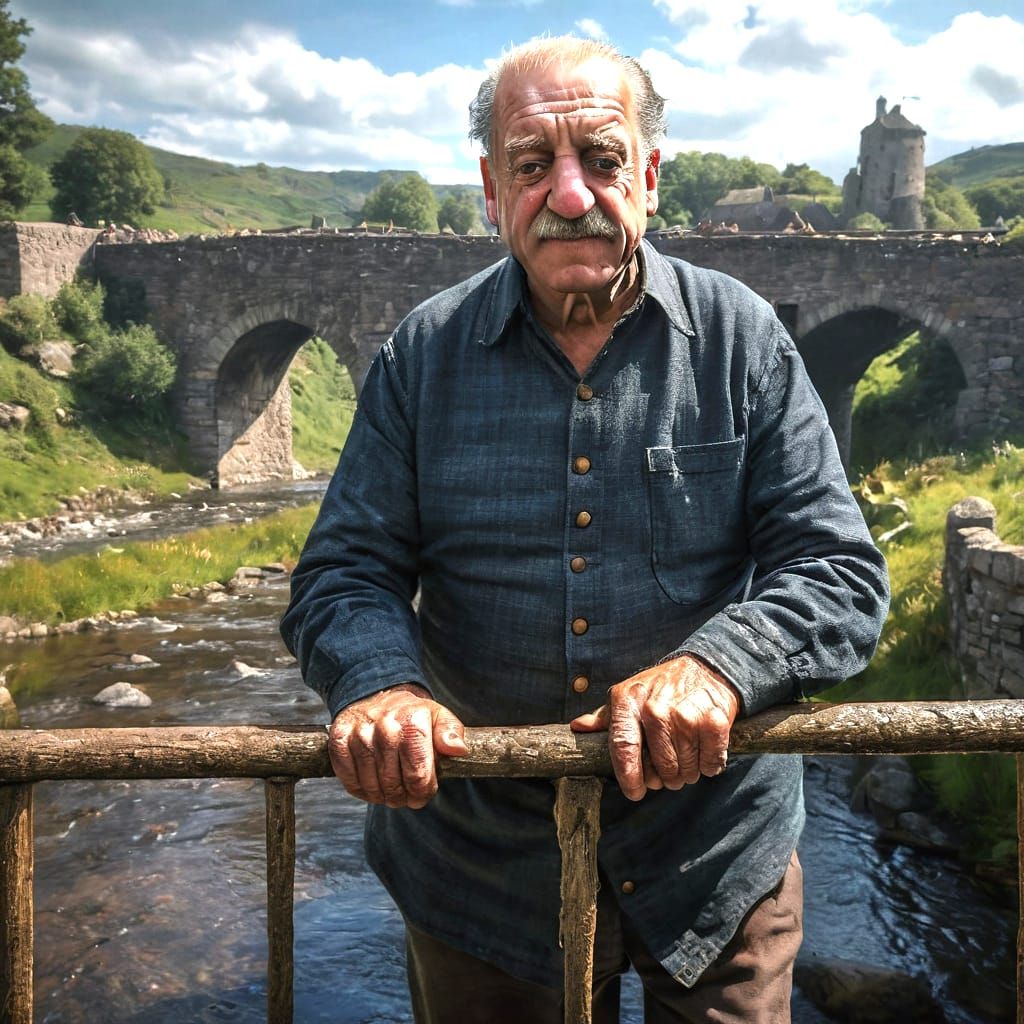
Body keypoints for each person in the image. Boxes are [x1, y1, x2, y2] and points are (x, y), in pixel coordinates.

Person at [281, 35, 889, 1023]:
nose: (570, 195)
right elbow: (343, 573)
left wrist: (718, 667)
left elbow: (836, 573)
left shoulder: (742, 340)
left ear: (646, 176)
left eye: (601, 159)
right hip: (480, 869)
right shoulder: (421, 355)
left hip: (715, 856)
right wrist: (380, 682)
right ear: (491, 188)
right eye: (532, 166)